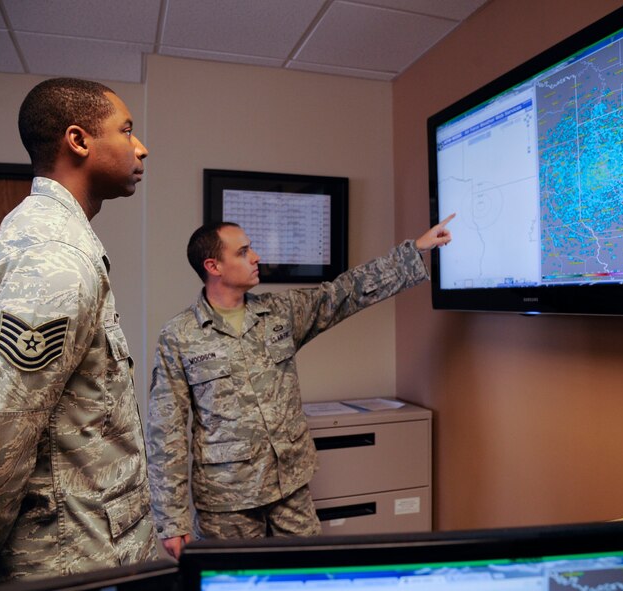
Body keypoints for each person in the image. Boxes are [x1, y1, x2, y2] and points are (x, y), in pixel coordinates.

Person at [0, 78, 156, 590]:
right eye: (126, 130)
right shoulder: (54, 258)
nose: (141, 147)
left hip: (93, 546)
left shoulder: (53, 237)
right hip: (69, 562)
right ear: (79, 141)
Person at [146, 214, 454, 558]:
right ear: (213, 266)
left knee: (307, 573)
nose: (256, 257)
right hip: (227, 501)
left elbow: (344, 292)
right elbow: (166, 430)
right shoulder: (179, 336)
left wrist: (416, 250)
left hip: (290, 487)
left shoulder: (282, 312)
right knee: (231, 583)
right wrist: (172, 520)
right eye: (244, 251)